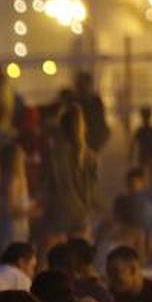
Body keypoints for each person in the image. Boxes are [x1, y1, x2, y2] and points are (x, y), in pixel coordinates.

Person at [39, 102, 98, 250]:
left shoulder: (53, 154)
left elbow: (44, 184)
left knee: (50, 262)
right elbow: (92, 189)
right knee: (78, 261)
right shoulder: (90, 156)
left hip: (56, 212)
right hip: (81, 212)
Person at [0, 142, 35, 257]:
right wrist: (33, 212)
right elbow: (11, 210)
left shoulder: (14, 178)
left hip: (14, 229)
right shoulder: (12, 180)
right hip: (12, 230)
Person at [107, 168, 152, 257]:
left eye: (135, 183)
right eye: (129, 183)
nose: (132, 186)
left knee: (150, 247)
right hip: (133, 228)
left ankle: (148, 259)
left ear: (142, 183)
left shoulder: (148, 195)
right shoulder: (123, 198)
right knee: (138, 245)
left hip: (151, 227)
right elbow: (117, 214)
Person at [74, 70, 111, 159]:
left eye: (82, 85)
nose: (80, 88)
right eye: (79, 85)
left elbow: (100, 120)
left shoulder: (95, 101)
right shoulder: (75, 102)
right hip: (77, 141)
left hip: (92, 138)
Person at [130, 105, 152, 189]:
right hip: (148, 152)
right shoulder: (150, 130)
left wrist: (130, 153)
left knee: (146, 171)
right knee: (150, 171)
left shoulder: (142, 130)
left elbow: (133, 143)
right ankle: (150, 187)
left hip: (145, 152)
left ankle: (145, 187)